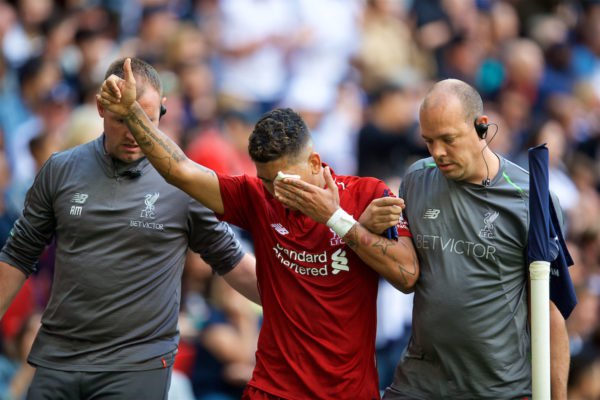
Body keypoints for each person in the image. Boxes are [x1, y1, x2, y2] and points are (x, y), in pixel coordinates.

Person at [97, 58, 419, 399]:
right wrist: (132, 113)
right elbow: (181, 170)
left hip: (348, 392)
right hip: (271, 389)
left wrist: (337, 219)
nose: (275, 192)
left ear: (313, 162)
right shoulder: (256, 199)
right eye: (266, 181)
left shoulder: (367, 195)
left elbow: (407, 275)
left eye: (283, 181)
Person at [0, 57, 259, 400]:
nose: (135, 133)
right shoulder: (60, 170)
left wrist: (304, 296)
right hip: (57, 358)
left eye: (146, 120)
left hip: (136, 366)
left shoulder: (185, 183)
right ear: (100, 107)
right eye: (124, 119)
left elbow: (232, 261)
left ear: (164, 111)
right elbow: (17, 255)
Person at [362, 78, 571, 399]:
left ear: (481, 127)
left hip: (498, 390)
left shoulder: (531, 197)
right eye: (428, 141)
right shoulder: (417, 180)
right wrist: (366, 225)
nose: (438, 153)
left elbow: (550, 312)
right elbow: (404, 273)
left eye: (449, 139)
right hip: (417, 385)